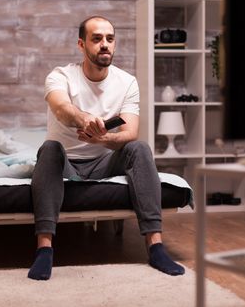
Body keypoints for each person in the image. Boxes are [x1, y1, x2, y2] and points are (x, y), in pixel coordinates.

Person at [28, 15, 185, 280]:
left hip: (103, 162)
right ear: (81, 44)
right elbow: (61, 108)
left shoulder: (127, 83)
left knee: (140, 148)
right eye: (97, 38)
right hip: (66, 163)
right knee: (50, 148)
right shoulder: (61, 76)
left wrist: (100, 140)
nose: (105, 45)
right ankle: (45, 250)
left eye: (110, 39)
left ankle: (155, 246)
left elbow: (130, 132)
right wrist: (85, 120)